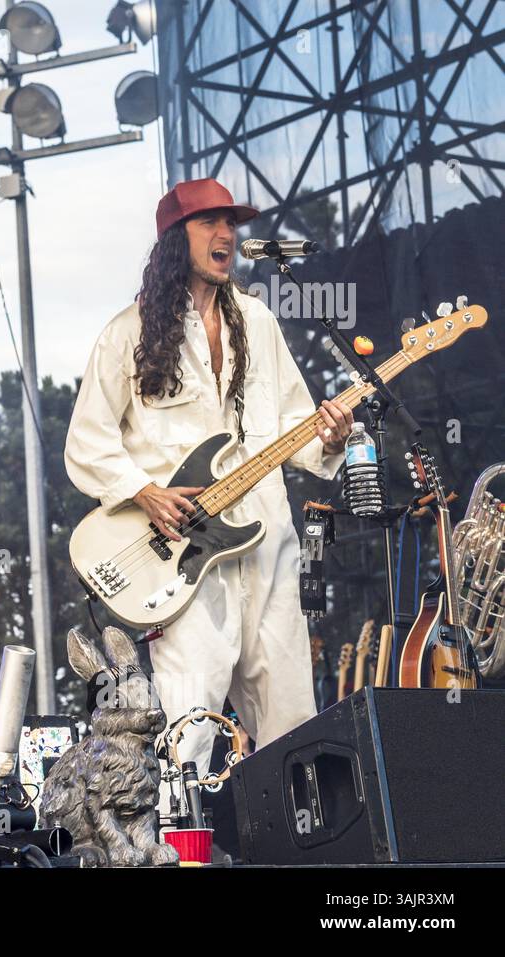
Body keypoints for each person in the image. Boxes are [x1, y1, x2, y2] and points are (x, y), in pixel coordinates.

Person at [63, 179, 353, 818]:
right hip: (185, 555)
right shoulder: (127, 333)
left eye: (231, 223)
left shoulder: (259, 320)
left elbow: (297, 432)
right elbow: (86, 444)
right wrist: (145, 492)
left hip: (266, 538)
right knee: (190, 721)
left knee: (292, 717)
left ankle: (301, 850)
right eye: (208, 224)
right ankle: (173, 848)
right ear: (175, 240)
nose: (226, 235)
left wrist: (331, 436)